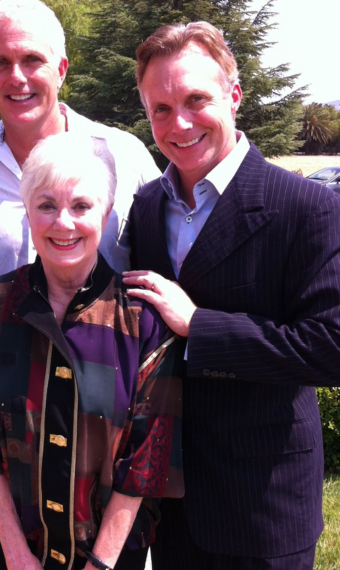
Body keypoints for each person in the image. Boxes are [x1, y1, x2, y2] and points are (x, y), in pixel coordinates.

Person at [122, 21, 340, 570]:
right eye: (161, 109)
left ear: (235, 96)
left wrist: (201, 326)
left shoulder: (306, 208)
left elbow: (330, 346)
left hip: (260, 505)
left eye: (197, 99)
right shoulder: (147, 206)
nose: (180, 122)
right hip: (165, 501)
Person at [0, 132, 183, 570]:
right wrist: (15, 555)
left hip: (110, 559)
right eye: (46, 205)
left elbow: (146, 461)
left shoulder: (145, 321)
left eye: (81, 206)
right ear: (28, 213)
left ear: (105, 214)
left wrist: (100, 564)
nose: (64, 222)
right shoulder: (3, 306)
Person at [0, 0, 160, 276]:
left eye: (32, 60)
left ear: (61, 71)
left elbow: (171, 252)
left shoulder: (124, 155)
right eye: (1, 62)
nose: (16, 77)